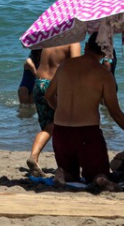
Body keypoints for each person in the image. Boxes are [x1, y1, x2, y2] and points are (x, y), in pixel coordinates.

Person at [44, 33, 124, 192]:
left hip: (61, 131)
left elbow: (48, 96)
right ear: (106, 52)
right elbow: (115, 112)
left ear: (86, 46)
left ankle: (62, 174)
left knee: (71, 173)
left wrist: (60, 109)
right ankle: (100, 179)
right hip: (87, 132)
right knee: (98, 173)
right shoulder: (104, 74)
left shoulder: (65, 66)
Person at [26, 41, 81, 177]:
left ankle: (34, 157)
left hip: (39, 83)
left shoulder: (51, 40)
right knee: (64, 124)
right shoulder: (73, 42)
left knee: (48, 126)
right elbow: (76, 67)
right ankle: (67, 162)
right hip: (54, 85)